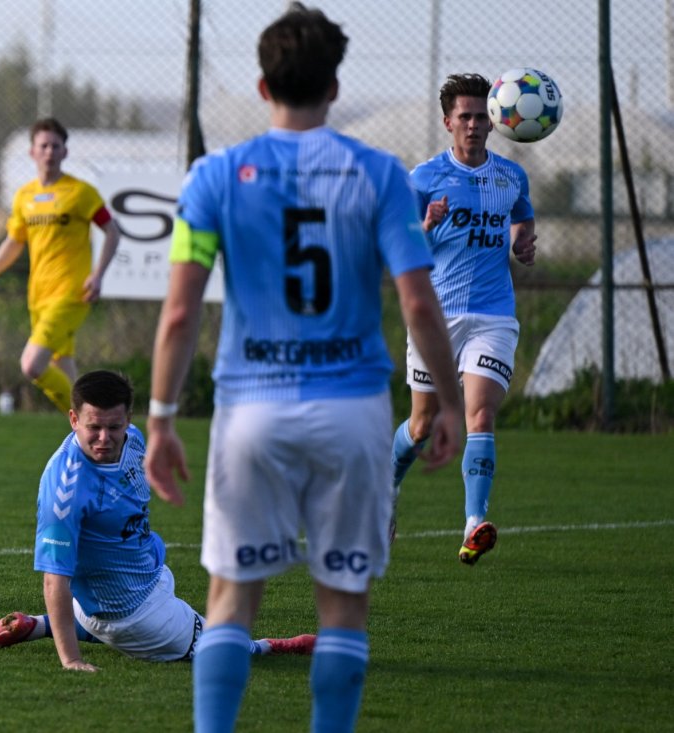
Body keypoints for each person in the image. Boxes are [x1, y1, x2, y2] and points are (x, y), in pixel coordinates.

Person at [142, 6, 463, 732]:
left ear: (261, 85)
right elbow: (417, 301)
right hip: (352, 413)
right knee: (342, 604)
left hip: (251, 411)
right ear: (336, 85)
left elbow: (179, 314)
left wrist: (160, 419)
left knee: (230, 599)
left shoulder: (214, 176)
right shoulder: (380, 174)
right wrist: (445, 401)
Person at [0, 370, 316, 671]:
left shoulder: (134, 440)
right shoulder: (65, 489)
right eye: (93, 428)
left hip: (139, 582)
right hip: (131, 615)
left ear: (128, 419)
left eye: (114, 426)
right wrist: (70, 661)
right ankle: (272, 645)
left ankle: (35, 626)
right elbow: (54, 580)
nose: (104, 438)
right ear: (73, 419)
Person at [390, 73, 538, 565]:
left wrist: (521, 241)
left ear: (493, 121)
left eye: (481, 116)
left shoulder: (511, 176)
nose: (474, 125)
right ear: (448, 121)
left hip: (493, 316)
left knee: (480, 414)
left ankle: (474, 523)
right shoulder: (424, 178)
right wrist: (426, 226)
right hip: (436, 319)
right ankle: (386, 486)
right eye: (465, 117)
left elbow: (523, 217)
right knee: (422, 426)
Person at [0, 118, 122, 414]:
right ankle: (93, 443)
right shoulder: (25, 196)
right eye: (44, 146)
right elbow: (14, 242)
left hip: (71, 294)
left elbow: (113, 231)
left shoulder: (80, 192)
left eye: (56, 146)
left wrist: (98, 275)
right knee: (65, 372)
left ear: (65, 152)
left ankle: (94, 420)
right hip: (39, 296)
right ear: (32, 152)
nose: (50, 151)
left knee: (32, 364)